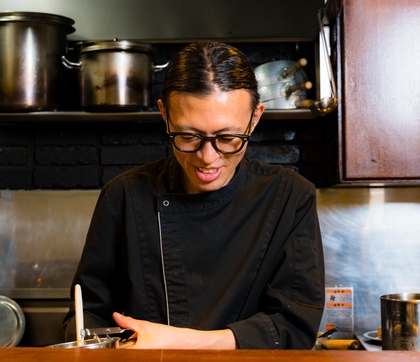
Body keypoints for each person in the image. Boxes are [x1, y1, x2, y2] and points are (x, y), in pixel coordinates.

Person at [63, 40, 325, 349]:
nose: (207, 157)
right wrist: (104, 345)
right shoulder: (124, 196)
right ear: (165, 115)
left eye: (228, 138)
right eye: (188, 136)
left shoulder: (290, 198)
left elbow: (293, 328)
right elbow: (87, 316)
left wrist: (178, 341)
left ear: (254, 119)